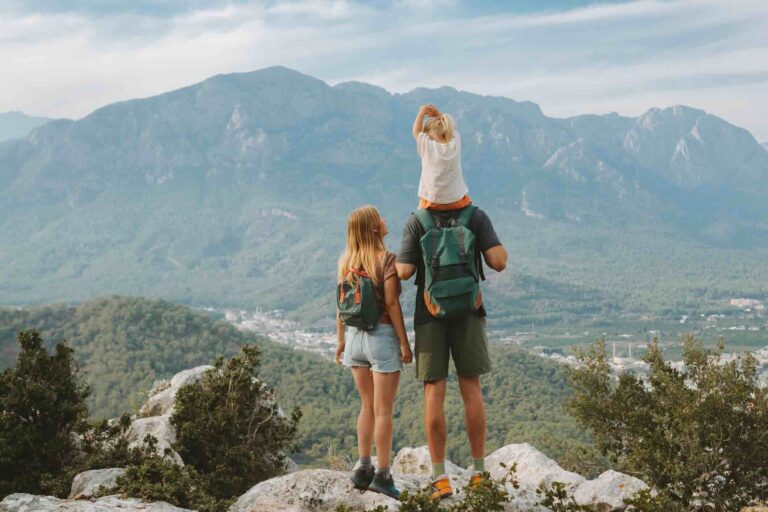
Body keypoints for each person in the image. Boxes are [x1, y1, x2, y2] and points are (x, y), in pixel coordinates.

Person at [397, 109, 508, 500]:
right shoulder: (475, 216)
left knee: (434, 393)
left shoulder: (417, 221)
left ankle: (441, 477)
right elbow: (498, 261)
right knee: (471, 389)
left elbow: (406, 272)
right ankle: (479, 474)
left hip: (429, 317)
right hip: (469, 312)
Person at [335, 205, 413, 500]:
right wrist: (404, 343)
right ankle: (383, 474)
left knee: (366, 406)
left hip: (354, 338)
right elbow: (392, 304)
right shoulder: (386, 260)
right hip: (380, 337)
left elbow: (339, 306)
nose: (385, 220)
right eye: (380, 217)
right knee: (384, 411)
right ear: (373, 228)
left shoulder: (346, 262)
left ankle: (362, 466)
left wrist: (341, 342)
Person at [412, 103, 471, 211]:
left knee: (415, 219)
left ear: (427, 134)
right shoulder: (454, 145)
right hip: (457, 201)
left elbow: (416, 131)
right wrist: (439, 114)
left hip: (432, 202)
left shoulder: (427, 146)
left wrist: (421, 112)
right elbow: (453, 129)